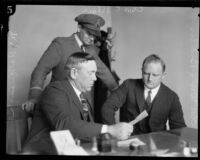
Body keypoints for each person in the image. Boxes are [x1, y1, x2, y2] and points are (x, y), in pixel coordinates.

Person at [22, 52, 133, 155]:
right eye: (91, 73)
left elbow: (83, 130)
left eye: (95, 73)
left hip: (69, 149)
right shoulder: (54, 90)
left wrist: (113, 135)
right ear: (74, 73)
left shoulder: (82, 96)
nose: (95, 78)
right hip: (41, 151)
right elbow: (65, 124)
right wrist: (110, 130)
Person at [22, 13, 118, 113]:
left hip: (86, 109)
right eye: (89, 33)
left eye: (95, 36)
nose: (92, 39)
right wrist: (34, 98)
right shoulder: (60, 44)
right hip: (62, 105)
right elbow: (40, 70)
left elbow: (104, 72)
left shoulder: (91, 50)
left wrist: (118, 92)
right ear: (79, 27)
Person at [101, 54, 186, 135]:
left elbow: (178, 128)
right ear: (141, 71)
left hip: (158, 144)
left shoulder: (172, 97)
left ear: (163, 75)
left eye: (155, 75)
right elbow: (107, 108)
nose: (150, 79)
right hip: (128, 142)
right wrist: (113, 131)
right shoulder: (128, 85)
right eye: (146, 74)